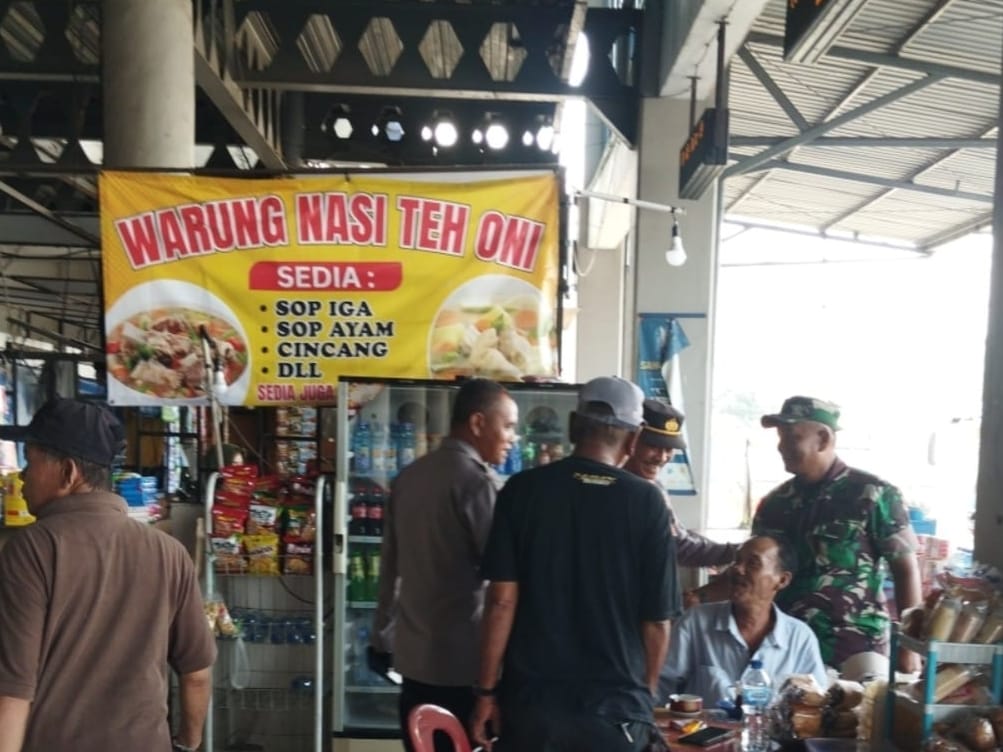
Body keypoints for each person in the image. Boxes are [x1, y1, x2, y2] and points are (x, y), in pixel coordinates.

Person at [471, 376, 679, 752]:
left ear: (572, 426)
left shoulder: (521, 491)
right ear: (634, 440)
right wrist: (641, 701)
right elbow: (657, 622)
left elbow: (501, 601)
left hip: (531, 710)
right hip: (615, 716)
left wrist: (486, 692)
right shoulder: (648, 504)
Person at [0, 397, 216, 752]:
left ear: (69, 473)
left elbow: (13, 690)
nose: (22, 476)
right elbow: (196, 674)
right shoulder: (170, 553)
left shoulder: (31, 549)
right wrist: (187, 745)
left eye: (31, 461)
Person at [693, 396, 921, 678]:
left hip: (855, 647)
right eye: (780, 437)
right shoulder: (775, 504)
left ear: (823, 439)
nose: (781, 446)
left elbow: (905, 570)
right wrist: (698, 597)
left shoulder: (874, 495)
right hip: (785, 647)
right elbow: (751, 569)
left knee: (857, 708)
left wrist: (910, 648)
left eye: (792, 437)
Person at [370, 378, 518, 752]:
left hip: (414, 660)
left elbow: (390, 570)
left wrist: (381, 637)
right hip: (465, 666)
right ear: (478, 422)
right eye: (508, 426)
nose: (512, 438)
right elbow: (502, 582)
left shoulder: (409, 476)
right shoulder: (477, 484)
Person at [659, 535, 827, 706]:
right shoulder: (696, 623)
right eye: (737, 561)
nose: (738, 569)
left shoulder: (800, 638)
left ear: (782, 580)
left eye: (753, 563)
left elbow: (815, 702)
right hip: (700, 724)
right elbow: (661, 688)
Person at [624, 399, 737, 568]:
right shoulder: (633, 490)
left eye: (669, 449)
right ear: (631, 440)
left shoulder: (653, 484)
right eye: (654, 446)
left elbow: (679, 534)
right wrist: (734, 552)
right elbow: (678, 547)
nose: (662, 457)